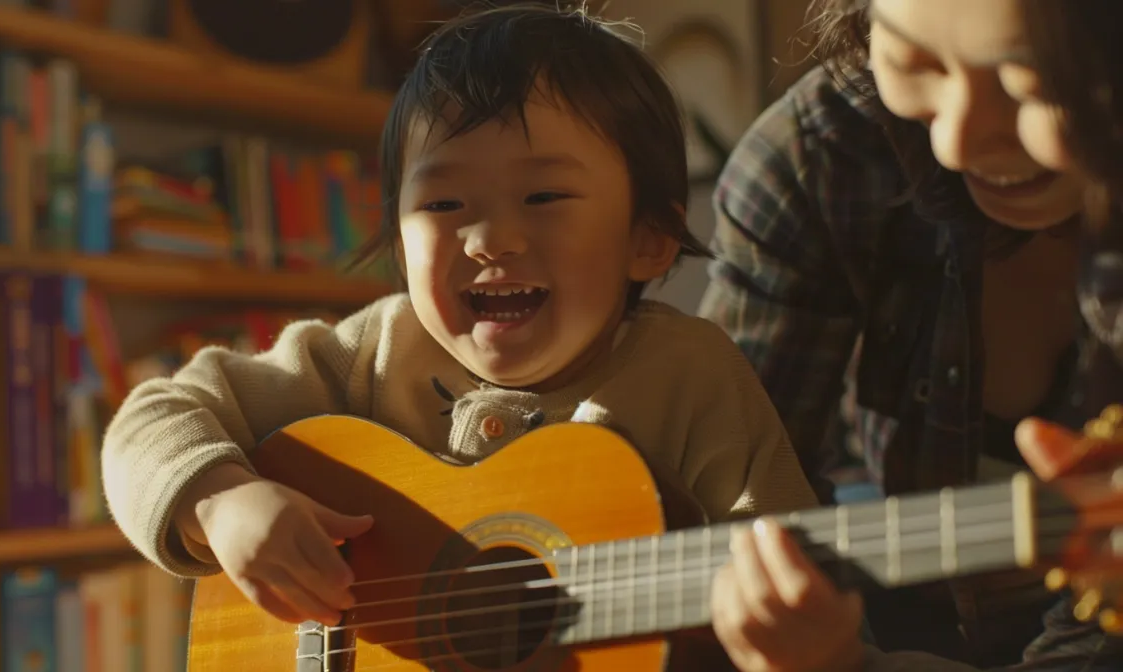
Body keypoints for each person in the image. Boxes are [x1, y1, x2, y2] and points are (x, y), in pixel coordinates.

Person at [99, 0, 821, 641]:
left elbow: (791, 578)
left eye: (543, 197)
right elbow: (155, 415)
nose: (488, 239)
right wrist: (221, 503)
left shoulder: (693, 378)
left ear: (648, 240)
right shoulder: (372, 354)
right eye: (443, 206)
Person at [702, 0, 1123, 669]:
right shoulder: (822, 151)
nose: (955, 140)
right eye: (911, 60)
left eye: (1029, 83)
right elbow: (728, 502)